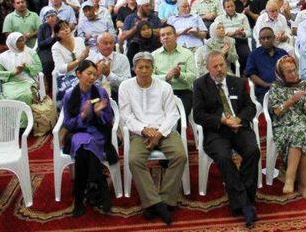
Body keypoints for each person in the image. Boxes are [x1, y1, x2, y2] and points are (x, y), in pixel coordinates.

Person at [193, 51, 260, 227]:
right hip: (216, 131)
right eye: (215, 66)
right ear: (208, 68)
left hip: (238, 127)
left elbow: (250, 107)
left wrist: (238, 119)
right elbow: (198, 115)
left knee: (253, 151)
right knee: (223, 157)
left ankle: (242, 197)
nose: (220, 69)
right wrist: (222, 120)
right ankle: (246, 204)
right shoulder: (200, 84)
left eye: (222, 65)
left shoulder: (238, 81)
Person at [119, 52, 187, 225]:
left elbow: (172, 114)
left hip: (164, 130)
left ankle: (164, 200)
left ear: (153, 68)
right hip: (140, 132)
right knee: (134, 160)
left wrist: (159, 134)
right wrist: (143, 130)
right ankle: (155, 203)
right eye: (140, 67)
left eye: (147, 67)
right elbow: (126, 116)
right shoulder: (125, 86)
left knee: (180, 156)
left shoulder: (164, 87)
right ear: (134, 69)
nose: (143, 71)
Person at [62, 59, 115, 216]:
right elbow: (68, 124)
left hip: (97, 132)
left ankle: (79, 197)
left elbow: (109, 119)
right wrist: (83, 115)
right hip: (78, 132)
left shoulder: (101, 92)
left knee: (84, 150)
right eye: (88, 74)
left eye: (94, 74)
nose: (92, 78)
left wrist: (99, 113)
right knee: (84, 143)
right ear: (78, 74)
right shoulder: (69, 95)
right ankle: (100, 187)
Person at [268, 56, 306, 197]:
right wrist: (291, 100)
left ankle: (290, 178)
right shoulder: (275, 87)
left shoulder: (302, 85)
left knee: (301, 130)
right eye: (288, 72)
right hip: (283, 125)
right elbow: (276, 112)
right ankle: (304, 185)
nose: (293, 74)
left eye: (294, 70)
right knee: (301, 135)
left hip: (302, 122)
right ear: (281, 74)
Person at [0, 32, 43, 127]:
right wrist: (13, 73)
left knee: (26, 95)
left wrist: (26, 67)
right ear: (12, 43)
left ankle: (25, 126)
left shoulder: (31, 52)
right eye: (18, 41)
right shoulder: (4, 56)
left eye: (22, 40)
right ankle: (12, 125)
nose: (22, 43)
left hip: (28, 81)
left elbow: (39, 67)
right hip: (11, 83)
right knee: (10, 97)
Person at [52, 20, 90, 105]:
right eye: (62, 29)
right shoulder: (56, 47)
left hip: (82, 72)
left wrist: (85, 57)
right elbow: (61, 69)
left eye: (67, 27)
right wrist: (79, 60)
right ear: (57, 34)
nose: (66, 30)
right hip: (66, 76)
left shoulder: (79, 40)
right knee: (75, 90)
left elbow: (85, 60)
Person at [246, 27, 287, 103]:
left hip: (284, 89)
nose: (266, 40)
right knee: (277, 108)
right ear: (259, 40)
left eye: (268, 38)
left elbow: (289, 71)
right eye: (263, 38)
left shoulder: (282, 53)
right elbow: (252, 75)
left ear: (274, 38)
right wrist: (267, 85)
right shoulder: (254, 55)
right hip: (265, 92)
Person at [87, 32, 131, 100]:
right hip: (95, 96)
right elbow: (85, 85)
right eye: (105, 43)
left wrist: (109, 74)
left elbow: (127, 84)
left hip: (119, 96)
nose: (108, 46)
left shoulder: (122, 59)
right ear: (97, 45)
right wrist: (96, 75)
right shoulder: (90, 60)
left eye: (111, 43)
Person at [214, 0, 252, 72]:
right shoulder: (219, 18)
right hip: (225, 41)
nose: (231, 8)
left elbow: (249, 31)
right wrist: (233, 33)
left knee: (247, 54)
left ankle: (243, 74)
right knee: (227, 56)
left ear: (235, 6)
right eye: (228, 7)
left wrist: (243, 33)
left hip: (240, 40)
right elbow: (216, 31)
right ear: (224, 8)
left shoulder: (242, 17)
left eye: (232, 6)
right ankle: (232, 73)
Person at [37, 9, 58, 89]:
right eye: (48, 17)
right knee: (47, 61)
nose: (51, 18)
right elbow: (40, 44)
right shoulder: (42, 27)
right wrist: (51, 37)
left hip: (58, 49)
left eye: (52, 16)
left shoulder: (59, 26)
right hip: (45, 50)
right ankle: (48, 85)